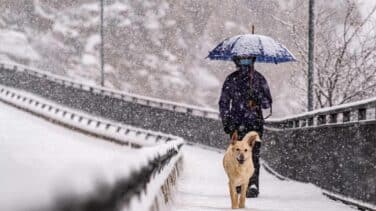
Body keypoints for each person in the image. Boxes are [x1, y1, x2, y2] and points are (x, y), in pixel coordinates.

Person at [218, 56, 272, 198]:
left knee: (253, 155)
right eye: (242, 60)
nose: (244, 63)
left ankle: (252, 185)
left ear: (253, 61)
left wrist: (257, 98)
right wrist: (227, 122)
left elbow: (267, 103)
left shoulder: (259, 79)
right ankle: (239, 183)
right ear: (236, 61)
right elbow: (223, 103)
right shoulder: (232, 80)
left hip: (254, 124)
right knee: (237, 155)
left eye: (247, 60)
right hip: (237, 124)